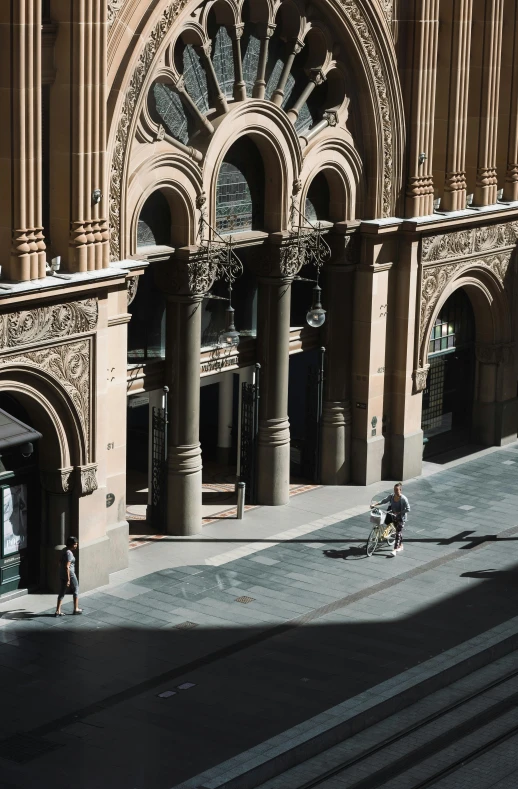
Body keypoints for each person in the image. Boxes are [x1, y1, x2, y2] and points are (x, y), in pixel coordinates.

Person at [372, 483, 410, 557]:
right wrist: (375, 504)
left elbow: (408, 509)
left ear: (400, 490)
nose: (395, 492)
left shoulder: (403, 499)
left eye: (397, 490)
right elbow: (384, 501)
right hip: (393, 517)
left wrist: (399, 512)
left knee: (398, 532)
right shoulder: (392, 496)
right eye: (394, 490)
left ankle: (395, 550)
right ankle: (401, 545)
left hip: (401, 518)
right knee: (398, 532)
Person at [55, 536, 82, 616]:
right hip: (70, 573)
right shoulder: (69, 553)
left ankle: (58, 610)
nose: (76, 545)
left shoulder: (64, 550)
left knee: (62, 591)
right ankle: (76, 609)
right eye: (75, 544)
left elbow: (60, 562)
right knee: (76, 588)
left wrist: (62, 571)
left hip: (62, 573)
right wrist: (69, 579)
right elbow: (67, 566)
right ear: (71, 544)